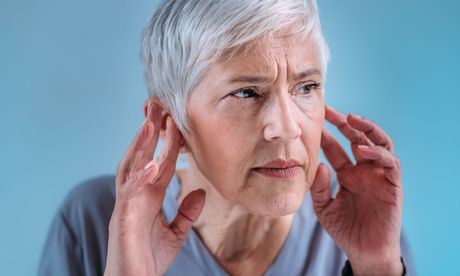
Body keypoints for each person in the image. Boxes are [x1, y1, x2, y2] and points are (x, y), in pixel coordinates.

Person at [38, 0, 417, 275]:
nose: (287, 127)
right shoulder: (95, 221)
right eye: (247, 92)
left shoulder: (359, 218)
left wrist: (377, 268)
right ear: (174, 124)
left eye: (307, 86)